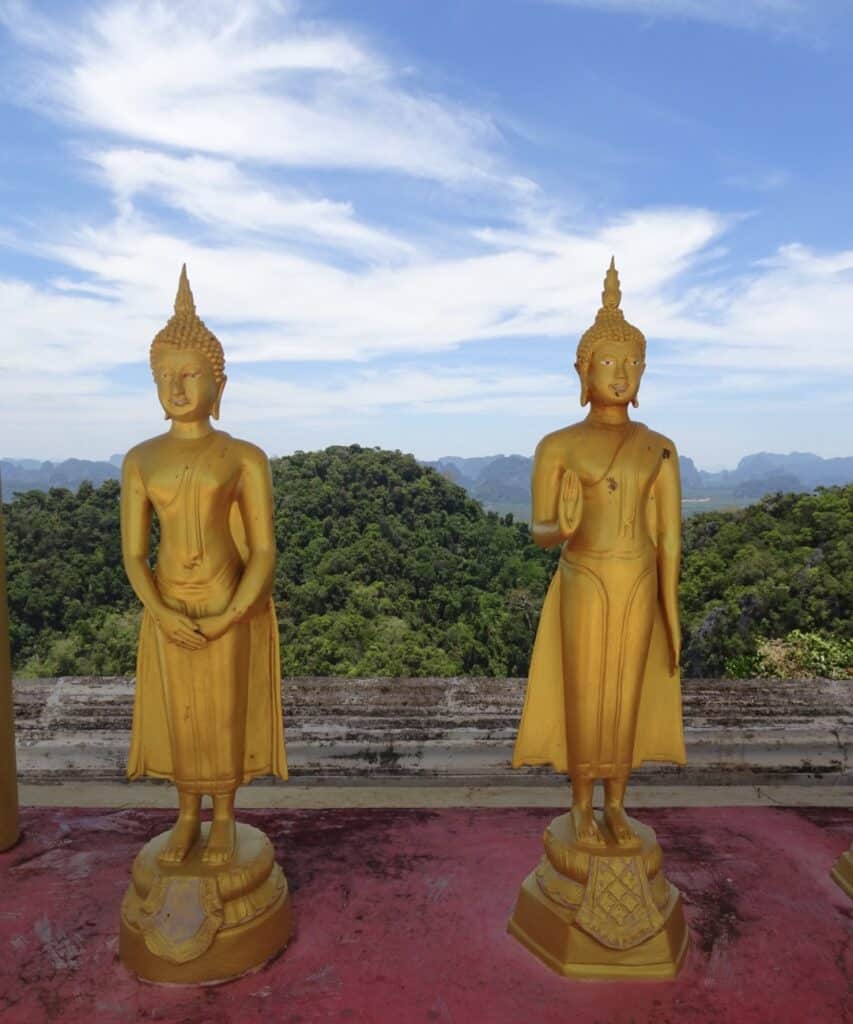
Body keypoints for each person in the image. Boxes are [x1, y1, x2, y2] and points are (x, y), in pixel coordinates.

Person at [512, 259, 686, 847]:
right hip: (584, 579)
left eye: (632, 362)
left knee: (626, 692)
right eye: (608, 362)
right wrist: (559, 528)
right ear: (582, 370)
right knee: (586, 692)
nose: (621, 373)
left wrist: (671, 611)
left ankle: (617, 803)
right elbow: (539, 529)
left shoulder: (659, 448)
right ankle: (581, 804)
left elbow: (669, 539)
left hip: (638, 580)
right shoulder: (558, 446)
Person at [121, 266, 287, 867]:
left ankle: (225, 816)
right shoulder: (141, 460)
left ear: (219, 383)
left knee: (223, 712)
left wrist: (232, 613)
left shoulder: (244, 457)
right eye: (165, 375)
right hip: (170, 601)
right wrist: (161, 611)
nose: (177, 386)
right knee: (182, 713)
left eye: (190, 374)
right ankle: (187, 813)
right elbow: (133, 553)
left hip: (225, 599)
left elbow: (264, 550)